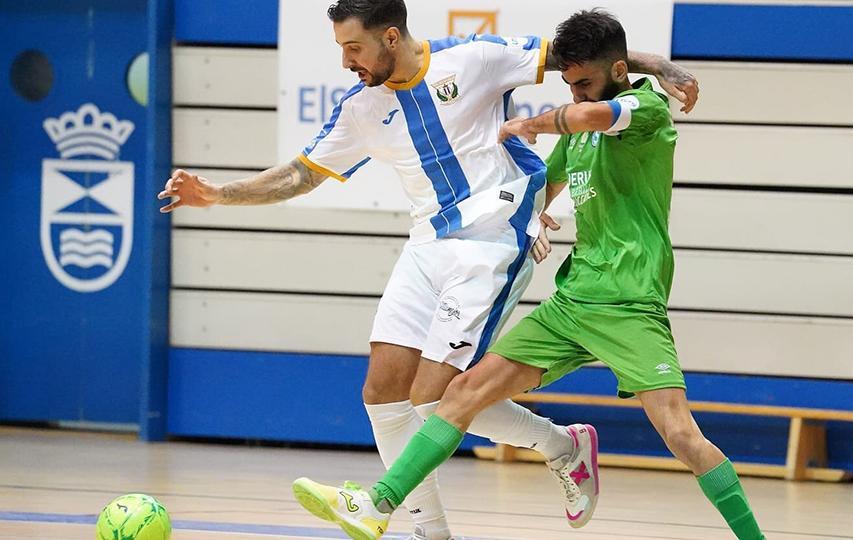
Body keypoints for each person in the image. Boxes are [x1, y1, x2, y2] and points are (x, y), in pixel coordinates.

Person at [158, 2, 700, 539]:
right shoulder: (361, 107)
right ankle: (431, 531)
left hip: (492, 238)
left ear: (390, 37)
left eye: (354, 48)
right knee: (382, 391)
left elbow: (582, 56)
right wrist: (218, 195)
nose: (346, 62)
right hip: (426, 244)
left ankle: (556, 446)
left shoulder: (475, 58)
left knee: (435, 398)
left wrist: (663, 68)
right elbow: (300, 176)